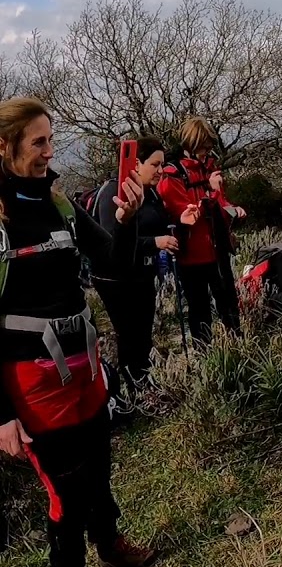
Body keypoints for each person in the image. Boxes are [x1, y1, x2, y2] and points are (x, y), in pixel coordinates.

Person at [0, 96, 157, 567]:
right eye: (38, 142)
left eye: (51, 139)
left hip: (84, 363)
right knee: (66, 489)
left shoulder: (58, 202)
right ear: (4, 147)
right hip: (33, 381)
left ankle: (110, 546)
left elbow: (113, 261)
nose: (50, 151)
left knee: (100, 465)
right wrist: (1, 416)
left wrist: (126, 222)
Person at [90, 137, 199, 387]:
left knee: (144, 332)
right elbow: (112, 242)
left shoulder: (150, 194)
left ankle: (145, 383)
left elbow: (156, 225)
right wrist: (156, 243)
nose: (161, 171)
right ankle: (133, 387)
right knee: (130, 334)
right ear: (136, 163)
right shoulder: (113, 194)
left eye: (162, 165)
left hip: (142, 274)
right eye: (155, 164)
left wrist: (179, 220)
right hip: (115, 279)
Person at [156, 116, 246, 347]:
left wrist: (233, 209)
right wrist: (214, 194)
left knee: (228, 303)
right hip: (191, 256)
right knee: (199, 308)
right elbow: (188, 216)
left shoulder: (210, 168)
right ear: (190, 145)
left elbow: (221, 207)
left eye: (208, 146)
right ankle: (205, 355)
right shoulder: (171, 176)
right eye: (202, 147)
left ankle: (237, 347)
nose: (206, 152)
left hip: (217, 250)